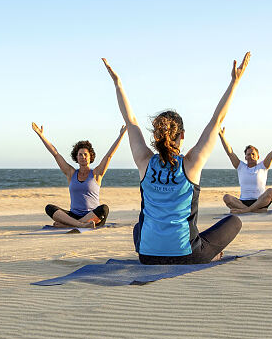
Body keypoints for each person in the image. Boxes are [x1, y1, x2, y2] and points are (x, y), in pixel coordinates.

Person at [102, 52, 250, 264]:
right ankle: (209, 255)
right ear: (182, 135)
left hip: (147, 256)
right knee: (234, 221)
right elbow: (216, 121)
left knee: (139, 228)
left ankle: (168, 247)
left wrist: (118, 84)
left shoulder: (144, 160)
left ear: (155, 137)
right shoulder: (191, 163)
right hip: (187, 255)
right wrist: (235, 82)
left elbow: (130, 120)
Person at [31, 122, 126, 228]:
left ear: (90, 156)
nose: (83, 157)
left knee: (104, 209)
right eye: (80, 154)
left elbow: (109, 156)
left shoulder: (96, 173)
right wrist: (41, 135)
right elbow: (56, 154)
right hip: (73, 215)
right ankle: (79, 224)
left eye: (85, 154)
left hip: (92, 216)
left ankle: (69, 225)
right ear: (76, 157)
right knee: (49, 208)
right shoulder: (71, 173)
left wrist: (121, 135)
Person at [218, 125, 272, 213]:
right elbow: (230, 152)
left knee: (271, 191)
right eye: (248, 154)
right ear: (245, 157)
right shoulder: (240, 166)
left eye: (253, 154)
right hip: (243, 202)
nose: (251, 156)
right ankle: (254, 210)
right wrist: (222, 137)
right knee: (226, 197)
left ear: (258, 156)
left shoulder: (263, 166)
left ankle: (245, 210)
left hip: (260, 201)